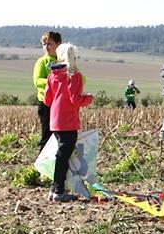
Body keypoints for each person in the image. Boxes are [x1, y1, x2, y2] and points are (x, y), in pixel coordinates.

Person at [44, 43, 94, 202]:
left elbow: (47, 99)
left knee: (61, 155)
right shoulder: (74, 76)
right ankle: (58, 191)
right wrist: (89, 98)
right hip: (68, 121)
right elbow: (75, 99)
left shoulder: (52, 75)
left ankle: (54, 189)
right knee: (63, 157)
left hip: (55, 120)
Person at [33, 31, 62, 152]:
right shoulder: (42, 62)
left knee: (60, 135)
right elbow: (37, 81)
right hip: (46, 103)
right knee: (47, 134)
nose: (46, 47)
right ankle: (42, 166)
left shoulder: (63, 61)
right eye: (44, 44)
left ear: (58, 44)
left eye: (49, 44)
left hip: (60, 103)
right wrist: (53, 80)